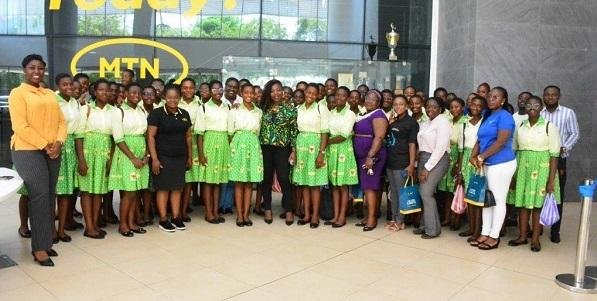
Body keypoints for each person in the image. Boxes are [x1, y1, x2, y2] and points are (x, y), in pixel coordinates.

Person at [9, 54, 66, 266]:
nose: (37, 71)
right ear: (24, 70)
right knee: (40, 195)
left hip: (52, 149)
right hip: (27, 149)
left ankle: (45, 240)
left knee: (49, 195)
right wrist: (45, 145)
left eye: (40, 68)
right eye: (32, 67)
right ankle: (40, 248)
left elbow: (62, 121)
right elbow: (20, 126)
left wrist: (58, 142)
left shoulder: (50, 93)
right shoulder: (18, 93)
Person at [509, 96, 560, 252]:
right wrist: (513, 175)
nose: (532, 107)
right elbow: (515, 150)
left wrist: (551, 181)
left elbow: (554, 154)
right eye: (529, 105)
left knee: (537, 205)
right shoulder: (522, 126)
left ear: (541, 107)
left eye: (536, 105)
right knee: (523, 205)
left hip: (542, 168)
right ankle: (523, 236)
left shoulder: (549, 126)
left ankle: (536, 239)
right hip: (523, 166)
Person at [470, 87, 517, 250]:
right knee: (487, 200)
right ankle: (485, 233)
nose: (491, 99)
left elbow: (501, 142)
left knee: (497, 200)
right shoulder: (488, 115)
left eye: (496, 97)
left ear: (503, 100)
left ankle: (494, 236)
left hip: (501, 164)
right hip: (487, 164)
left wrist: (482, 157)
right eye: (490, 96)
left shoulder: (505, 117)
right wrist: (473, 155)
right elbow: (480, 139)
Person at [147, 84, 192, 232]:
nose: (173, 100)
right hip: (163, 157)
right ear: (165, 97)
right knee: (164, 188)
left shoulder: (184, 114)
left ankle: (176, 217)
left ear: (179, 98)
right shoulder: (157, 113)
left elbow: (188, 137)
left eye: (176, 97)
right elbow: (151, 137)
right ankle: (163, 219)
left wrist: (190, 157)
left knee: (177, 188)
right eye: (170, 97)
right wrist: (154, 159)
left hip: (180, 157)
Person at [75, 78, 116, 239]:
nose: (105, 93)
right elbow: (78, 135)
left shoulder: (113, 111)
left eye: (107, 90)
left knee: (98, 191)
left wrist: (110, 158)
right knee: (86, 191)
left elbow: (115, 137)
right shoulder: (86, 109)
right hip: (88, 152)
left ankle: (95, 224)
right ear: (94, 91)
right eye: (101, 90)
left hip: (104, 153)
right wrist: (81, 160)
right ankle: (89, 227)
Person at [108, 82, 149, 237]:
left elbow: (145, 135)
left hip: (141, 151)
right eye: (133, 92)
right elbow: (118, 138)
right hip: (126, 154)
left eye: (139, 93)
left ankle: (132, 223)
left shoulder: (142, 110)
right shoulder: (118, 111)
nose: (136, 96)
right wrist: (133, 158)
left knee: (136, 191)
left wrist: (146, 156)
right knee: (128, 192)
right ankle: (123, 225)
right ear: (125, 93)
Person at [540, 85, 579, 244]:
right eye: (547, 95)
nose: (550, 97)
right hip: (540, 158)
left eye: (553, 95)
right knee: (540, 192)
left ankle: (555, 231)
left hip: (559, 159)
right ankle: (539, 226)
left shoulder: (568, 113)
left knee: (557, 194)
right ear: (543, 96)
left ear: (559, 96)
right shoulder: (539, 112)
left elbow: (575, 133)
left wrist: (565, 147)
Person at [259, 79, 298, 225]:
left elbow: (294, 131)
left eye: (278, 90)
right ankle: (267, 209)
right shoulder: (262, 108)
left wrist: (293, 150)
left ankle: (289, 210)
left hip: (283, 148)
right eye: (272, 91)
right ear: (269, 93)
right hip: (266, 148)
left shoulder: (291, 109)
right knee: (266, 179)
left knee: (284, 179)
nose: (276, 93)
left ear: (283, 91)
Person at [291, 83, 329, 229]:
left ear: (318, 95)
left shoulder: (321, 108)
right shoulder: (298, 109)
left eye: (314, 93)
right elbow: (295, 132)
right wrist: (294, 151)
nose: (311, 96)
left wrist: (321, 153)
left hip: (315, 145)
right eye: (309, 92)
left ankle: (314, 216)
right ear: (305, 92)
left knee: (315, 185)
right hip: (301, 146)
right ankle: (306, 214)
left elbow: (325, 132)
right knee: (304, 183)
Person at [413, 98, 451, 239]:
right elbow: (421, 145)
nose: (430, 109)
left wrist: (427, 168)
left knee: (426, 193)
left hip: (437, 160)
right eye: (428, 106)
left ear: (440, 108)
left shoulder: (443, 122)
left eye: (434, 107)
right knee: (423, 192)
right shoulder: (425, 123)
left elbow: (440, 148)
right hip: (423, 158)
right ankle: (425, 226)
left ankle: (433, 229)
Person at [53, 73, 84, 243]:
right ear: (57, 85)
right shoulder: (52, 100)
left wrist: (81, 158)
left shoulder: (75, 103)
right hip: (55, 145)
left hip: (71, 146)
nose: (68, 88)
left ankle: (61, 229)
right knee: (53, 191)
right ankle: (50, 229)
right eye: (64, 85)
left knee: (67, 192)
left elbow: (79, 132)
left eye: (70, 85)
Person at [195, 80, 231, 224]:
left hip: (223, 144)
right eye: (214, 89)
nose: (218, 92)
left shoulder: (227, 107)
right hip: (209, 144)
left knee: (219, 182)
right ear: (210, 92)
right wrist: (201, 155)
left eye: (220, 89)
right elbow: (199, 134)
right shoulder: (203, 108)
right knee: (208, 182)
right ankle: (208, 213)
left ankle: (216, 212)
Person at [228, 84, 263, 227]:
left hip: (253, 145)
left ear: (255, 95)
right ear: (241, 93)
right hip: (238, 145)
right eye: (246, 92)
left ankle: (246, 215)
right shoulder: (234, 110)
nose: (249, 95)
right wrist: (235, 147)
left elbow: (258, 132)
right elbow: (230, 132)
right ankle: (239, 216)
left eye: (252, 93)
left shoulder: (259, 111)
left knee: (249, 182)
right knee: (239, 182)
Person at [353, 90, 388, 231]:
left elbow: (379, 137)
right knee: (367, 188)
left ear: (378, 102)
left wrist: (370, 156)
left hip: (372, 157)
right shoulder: (365, 113)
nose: (369, 101)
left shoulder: (379, 115)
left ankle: (372, 219)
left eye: (373, 99)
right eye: (367, 98)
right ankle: (368, 216)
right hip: (363, 156)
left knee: (370, 187)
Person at [385, 95, 418, 232]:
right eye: (396, 104)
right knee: (393, 193)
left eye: (401, 104)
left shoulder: (411, 123)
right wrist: (390, 124)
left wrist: (411, 164)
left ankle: (400, 221)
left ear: (407, 106)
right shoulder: (393, 121)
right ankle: (394, 218)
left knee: (401, 193)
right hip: (390, 162)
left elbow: (412, 144)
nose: (398, 107)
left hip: (402, 163)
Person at [456, 95, 485, 242]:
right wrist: (460, 170)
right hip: (467, 159)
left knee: (478, 197)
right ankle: (471, 228)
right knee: (469, 195)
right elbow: (461, 149)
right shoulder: (464, 123)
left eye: (479, 105)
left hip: (480, 160)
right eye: (473, 104)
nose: (475, 108)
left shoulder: (485, 123)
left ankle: (478, 231)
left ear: (483, 107)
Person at [438, 98, 468, 230]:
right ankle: (447, 218)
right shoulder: (447, 121)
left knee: (457, 189)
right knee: (446, 191)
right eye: (451, 107)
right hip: (446, 155)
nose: (454, 109)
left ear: (462, 107)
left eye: (457, 107)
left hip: (458, 155)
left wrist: (457, 164)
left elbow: (463, 145)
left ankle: (457, 219)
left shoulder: (466, 122)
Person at [178, 78, 202, 222]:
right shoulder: (174, 101)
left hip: (194, 142)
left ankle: (184, 210)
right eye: (185, 87)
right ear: (181, 89)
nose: (188, 90)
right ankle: (175, 210)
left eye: (190, 87)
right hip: (177, 142)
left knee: (189, 180)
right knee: (178, 180)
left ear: (195, 89)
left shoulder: (200, 103)